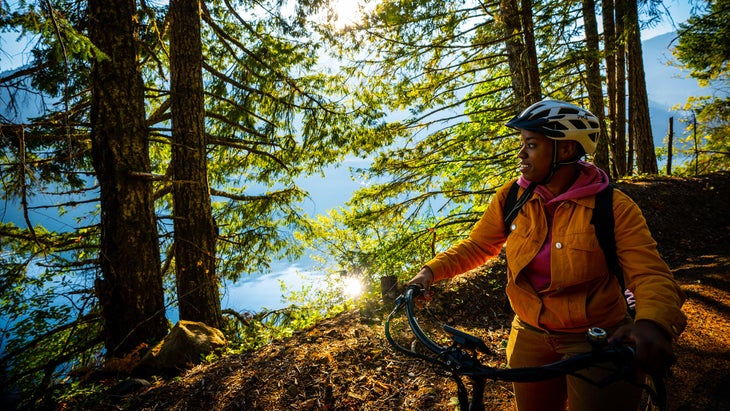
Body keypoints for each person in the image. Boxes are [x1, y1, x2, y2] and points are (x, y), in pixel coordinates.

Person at [407, 99, 687, 411]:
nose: (520, 154)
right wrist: (429, 272)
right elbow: (478, 245)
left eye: (531, 145)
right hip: (529, 334)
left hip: (597, 340)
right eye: (522, 144)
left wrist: (653, 324)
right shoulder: (512, 196)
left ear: (565, 150)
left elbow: (649, 273)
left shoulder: (614, 207)